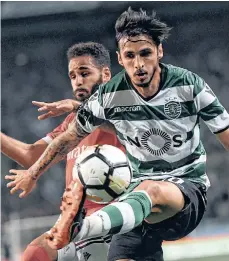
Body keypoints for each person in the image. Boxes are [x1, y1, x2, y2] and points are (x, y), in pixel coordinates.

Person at [6, 7, 229, 261]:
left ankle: (80, 228)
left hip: (186, 192)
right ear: (120, 59)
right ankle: (80, 228)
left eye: (145, 53)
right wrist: (33, 173)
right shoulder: (109, 96)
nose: (139, 64)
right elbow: (68, 138)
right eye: (130, 56)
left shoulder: (190, 86)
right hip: (133, 203)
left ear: (160, 51)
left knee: (152, 190)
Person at [3, 42, 124, 261]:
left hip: (118, 220)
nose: (78, 80)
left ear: (105, 73)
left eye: (84, 73)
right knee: (34, 254)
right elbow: (32, 155)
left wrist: (77, 107)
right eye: (72, 75)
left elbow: (118, 124)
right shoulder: (72, 122)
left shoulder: (123, 105)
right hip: (75, 222)